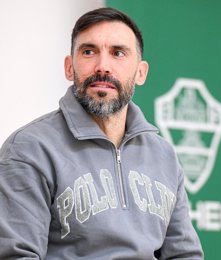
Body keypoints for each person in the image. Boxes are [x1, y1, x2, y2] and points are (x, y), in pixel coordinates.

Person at [0, 7, 204, 259]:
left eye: (118, 53)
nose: (102, 66)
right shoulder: (29, 148)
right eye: (89, 51)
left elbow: (184, 255)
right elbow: (16, 255)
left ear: (140, 72)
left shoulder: (164, 155)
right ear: (69, 67)